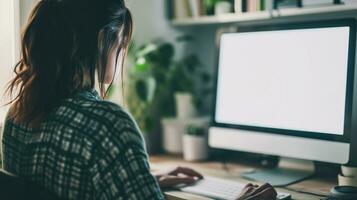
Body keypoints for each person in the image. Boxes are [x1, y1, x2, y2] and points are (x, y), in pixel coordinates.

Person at [1, 0, 277, 199]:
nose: (122, 51)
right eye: (121, 41)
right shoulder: (108, 125)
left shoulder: (17, 115)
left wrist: (138, 181)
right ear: (101, 41)